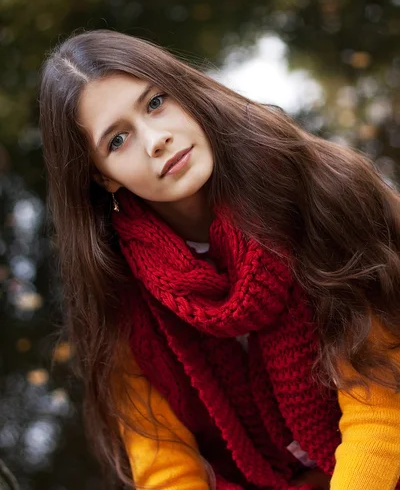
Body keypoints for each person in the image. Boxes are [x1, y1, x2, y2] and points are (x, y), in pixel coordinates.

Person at [39, 29, 400, 490]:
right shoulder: (113, 290)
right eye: (117, 140)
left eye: (155, 103)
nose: (156, 139)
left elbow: (380, 406)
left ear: (185, 92)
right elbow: (164, 461)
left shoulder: (321, 192)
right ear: (101, 176)